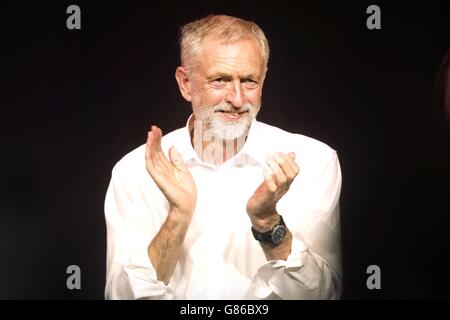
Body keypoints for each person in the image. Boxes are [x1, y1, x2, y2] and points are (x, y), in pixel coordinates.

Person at [104, 14, 342, 300]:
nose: (238, 98)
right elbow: (123, 297)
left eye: (250, 81)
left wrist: (268, 222)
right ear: (186, 84)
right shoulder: (135, 172)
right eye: (220, 80)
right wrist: (177, 218)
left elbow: (323, 295)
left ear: (264, 79)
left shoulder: (312, 161)